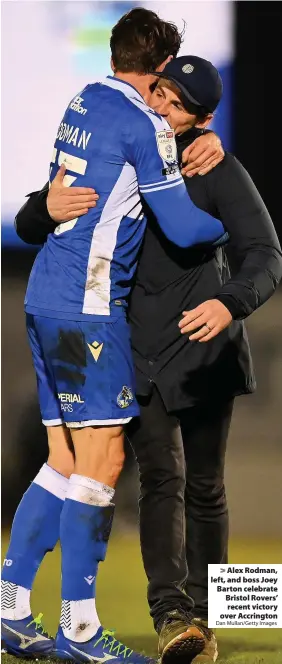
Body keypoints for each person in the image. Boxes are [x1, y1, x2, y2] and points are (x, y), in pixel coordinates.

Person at [15, 54, 282, 664]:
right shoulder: (128, 147)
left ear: (204, 117)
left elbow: (266, 254)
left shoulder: (214, 166)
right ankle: (172, 619)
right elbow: (37, 215)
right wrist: (43, 208)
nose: (162, 105)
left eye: (178, 103)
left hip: (205, 352)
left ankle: (208, 619)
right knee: (160, 478)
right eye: (160, 91)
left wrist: (231, 303)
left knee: (206, 487)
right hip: (135, 351)